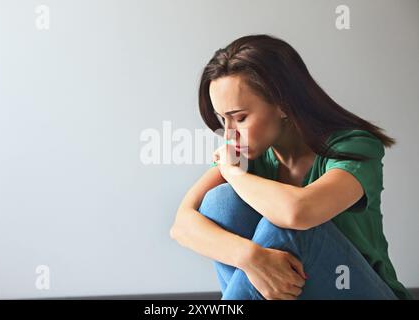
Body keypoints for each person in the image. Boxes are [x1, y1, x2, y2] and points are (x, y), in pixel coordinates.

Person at [170, 34, 413, 300]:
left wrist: (232, 172)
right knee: (220, 202)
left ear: (283, 104)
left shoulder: (354, 145)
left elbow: (298, 212)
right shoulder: (249, 153)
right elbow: (182, 225)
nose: (229, 135)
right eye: (222, 120)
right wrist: (251, 257)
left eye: (240, 118)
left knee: (284, 224)